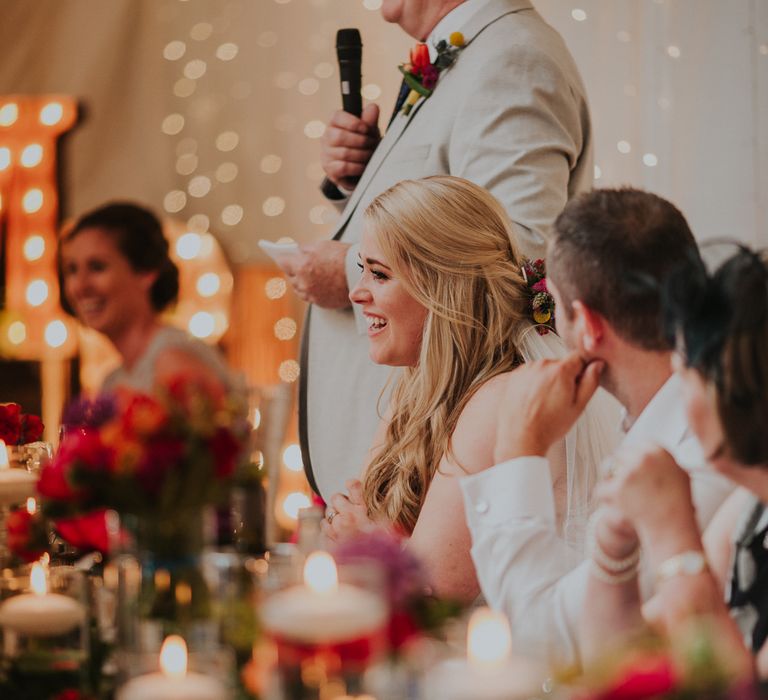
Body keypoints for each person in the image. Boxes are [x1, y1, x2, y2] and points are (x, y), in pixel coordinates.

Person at [290, 0, 595, 501]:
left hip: (446, 460)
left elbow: (514, 248)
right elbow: (449, 213)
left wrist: (347, 271)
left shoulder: (513, 58)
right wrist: (358, 180)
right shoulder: (471, 53)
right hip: (401, 446)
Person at [458, 188, 734, 667]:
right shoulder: (674, 419)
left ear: (586, 324)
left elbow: (550, 639)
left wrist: (519, 449)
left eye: (556, 306)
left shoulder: (701, 460)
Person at [320, 176, 617, 602]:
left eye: (380, 275)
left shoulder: (499, 399)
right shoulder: (415, 386)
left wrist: (367, 541)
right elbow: (362, 503)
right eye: (361, 268)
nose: (356, 292)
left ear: (443, 289)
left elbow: (437, 598)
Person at [579, 244, 768, 680]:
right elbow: (623, 668)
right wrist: (613, 547)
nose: (680, 400)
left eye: (683, 373)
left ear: (731, 384)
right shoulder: (751, 508)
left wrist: (672, 535)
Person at [59, 202, 235, 393]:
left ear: (146, 272)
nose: (81, 286)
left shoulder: (174, 364)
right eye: (72, 270)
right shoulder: (113, 380)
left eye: (97, 267)